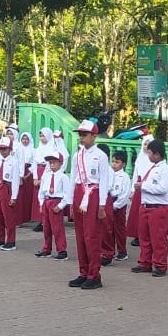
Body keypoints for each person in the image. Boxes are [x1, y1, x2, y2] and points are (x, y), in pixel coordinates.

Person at [68, 119, 112, 289]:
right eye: (80, 134)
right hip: (79, 193)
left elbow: (104, 180)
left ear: (94, 136)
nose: (81, 137)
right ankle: (83, 272)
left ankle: (94, 275)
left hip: (93, 195)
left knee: (91, 236)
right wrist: (70, 201)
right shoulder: (77, 155)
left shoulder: (101, 156)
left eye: (84, 134)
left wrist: (102, 204)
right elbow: (73, 178)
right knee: (80, 236)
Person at [131, 138, 168, 277]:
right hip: (146, 206)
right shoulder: (151, 167)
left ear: (157, 154)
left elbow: (163, 189)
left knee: (158, 239)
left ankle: (160, 265)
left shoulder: (165, 169)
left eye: (150, 153)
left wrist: (144, 186)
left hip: (158, 207)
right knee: (144, 237)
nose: (148, 155)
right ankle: (145, 263)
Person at [34, 150, 72, 260]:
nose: (52, 164)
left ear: (60, 163)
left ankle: (62, 250)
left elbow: (67, 194)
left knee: (57, 228)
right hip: (47, 201)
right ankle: (47, 249)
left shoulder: (63, 177)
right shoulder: (46, 176)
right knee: (46, 227)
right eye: (50, 162)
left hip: (56, 201)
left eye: (54, 162)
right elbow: (41, 191)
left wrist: (60, 206)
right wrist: (41, 203)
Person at [0, 136, 22, 251]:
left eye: (5, 149)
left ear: (10, 149)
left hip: (7, 187)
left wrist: (14, 196)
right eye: (0, 149)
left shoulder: (14, 161)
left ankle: (11, 241)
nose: (2, 151)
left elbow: (16, 180)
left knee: (8, 216)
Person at [101, 149, 131, 265]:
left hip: (119, 205)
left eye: (117, 162)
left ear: (123, 164)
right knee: (108, 228)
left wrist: (116, 205)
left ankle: (122, 251)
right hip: (109, 202)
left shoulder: (124, 177)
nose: (114, 164)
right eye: (113, 161)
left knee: (119, 229)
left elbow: (125, 194)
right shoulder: (108, 173)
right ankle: (110, 249)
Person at [126, 134, 155, 247]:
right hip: (138, 187)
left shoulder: (153, 160)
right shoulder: (140, 158)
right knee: (137, 213)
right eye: (145, 144)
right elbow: (135, 175)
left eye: (148, 144)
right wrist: (133, 190)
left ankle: (147, 235)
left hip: (148, 188)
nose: (146, 147)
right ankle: (137, 235)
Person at [31, 127, 57, 233]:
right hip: (38, 171)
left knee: (45, 196)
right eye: (40, 136)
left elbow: (49, 164)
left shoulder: (52, 149)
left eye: (44, 136)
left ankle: (45, 221)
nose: (42, 138)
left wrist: (42, 179)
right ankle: (40, 220)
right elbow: (34, 163)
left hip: (46, 173)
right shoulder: (38, 149)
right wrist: (35, 177)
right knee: (38, 197)